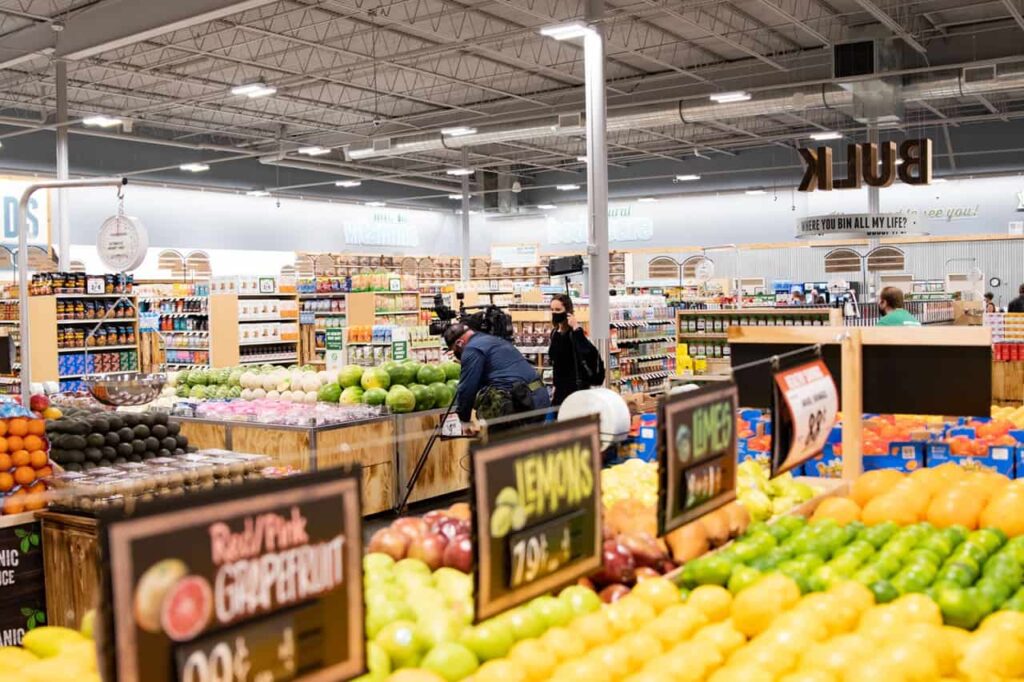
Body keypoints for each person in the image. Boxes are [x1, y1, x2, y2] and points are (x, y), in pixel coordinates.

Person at [443, 323, 550, 432]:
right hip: (540, 396)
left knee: (503, 445)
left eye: (455, 350)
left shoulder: (472, 349)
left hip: (520, 402)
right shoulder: (493, 340)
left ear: (459, 343)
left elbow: (467, 388)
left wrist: (464, 420)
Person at [548, 294, 605, 406]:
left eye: (558, 309)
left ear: (567, 311)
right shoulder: (554, 333)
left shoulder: (574, 333)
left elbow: (587, 351)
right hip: (559, 390)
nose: (554, 313)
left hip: (576, 389)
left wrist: (576, 328)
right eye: (552, 310)